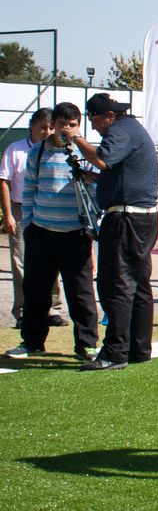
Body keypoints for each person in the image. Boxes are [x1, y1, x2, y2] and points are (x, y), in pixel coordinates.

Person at [67, 94, 158, 370]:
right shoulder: (133, 129)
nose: (95, 128)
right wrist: (94, 178)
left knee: (115, 284)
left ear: (107, 116)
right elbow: (116, 172)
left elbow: (105, 160)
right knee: (139, 284)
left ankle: (115, 351)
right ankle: (138, 348)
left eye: (94, 121)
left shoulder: (120, 130)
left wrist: (77, 139)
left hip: (125, 218)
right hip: (141, 217)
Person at [4, 103, 99, 361]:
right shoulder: (37, 152)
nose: (65, 129)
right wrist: (31, 225)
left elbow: (94, 192)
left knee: (80, 292)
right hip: (42, 232)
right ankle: (32, 342)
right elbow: (29, 190)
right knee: (36, 290)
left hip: (75, 233)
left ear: (79, 126)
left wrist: (90, 228)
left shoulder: (86, 153)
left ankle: (86, 345)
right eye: (61, 124)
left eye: (71, 125)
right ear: (53, 125)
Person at [1, 108, 66, 330]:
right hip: (21, 210)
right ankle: (22, 310)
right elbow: (4, 181)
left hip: (47, 210)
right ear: (32, 127)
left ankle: (53, 308)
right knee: (20, 261)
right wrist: (8, 214)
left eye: (50, 128)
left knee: (52, 259)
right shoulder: (15, 149)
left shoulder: (57, 149)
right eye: (42, 128)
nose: (46, 132)